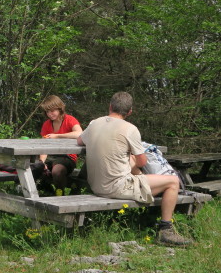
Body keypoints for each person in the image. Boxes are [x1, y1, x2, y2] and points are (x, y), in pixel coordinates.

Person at [76, 91, 192, 246]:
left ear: (110, 106)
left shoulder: (94, 123)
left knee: (129, 160)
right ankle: (165, 230)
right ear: (130, 111)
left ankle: (150, 197)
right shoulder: (130, 129)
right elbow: (143, 162)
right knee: (173, 181)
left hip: (95, 184)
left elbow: (79, 141)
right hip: (115, 187)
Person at [37, 95, 83, 191]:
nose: (50, 114)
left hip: (68, 156)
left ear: (59, 108)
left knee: (57, 171)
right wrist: (42, 162)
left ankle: (60, 193)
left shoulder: (69, 119)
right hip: (51, 156)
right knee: (36, 167)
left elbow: (80, 133)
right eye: (47, 111)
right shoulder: (46, 124)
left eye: (52, 111)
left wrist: (57, 136)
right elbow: (43, 147)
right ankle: (45, 190)